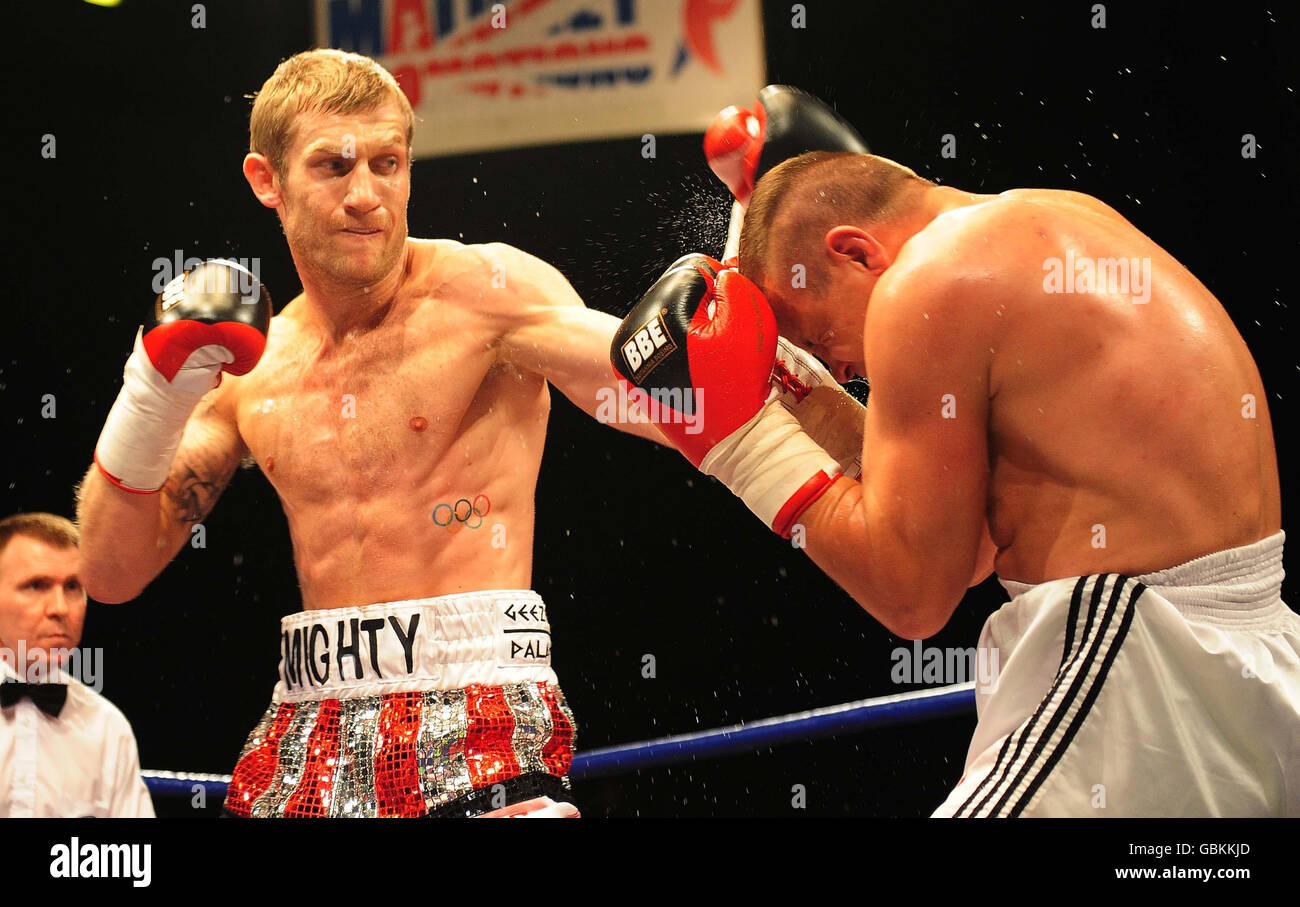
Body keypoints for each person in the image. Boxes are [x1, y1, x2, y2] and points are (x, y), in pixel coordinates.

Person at [615, 91, 1299, 815]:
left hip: (1142, 666)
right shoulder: (1046, 222)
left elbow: (913, 594)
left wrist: (743, 443)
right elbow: (961, 547)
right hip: (1247, 663)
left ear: (852, 251)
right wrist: (808, 401)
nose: (841, 364)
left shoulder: (929, 281)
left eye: (816, 339)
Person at [76, 48, 660, 818]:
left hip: (478, 695)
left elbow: (667, 408)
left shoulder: (490, 296)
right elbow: (110, 570)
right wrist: (150, 394)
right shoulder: (255, 366)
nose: (366, 196)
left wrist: (727, 340)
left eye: (388, 162)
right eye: (332, 167)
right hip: (307, 716)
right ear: (266, 181)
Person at [0, 512, 154, 818]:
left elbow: (131, 861)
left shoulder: (107, 729)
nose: (59, 608)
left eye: (72, 587)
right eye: (36, 585)